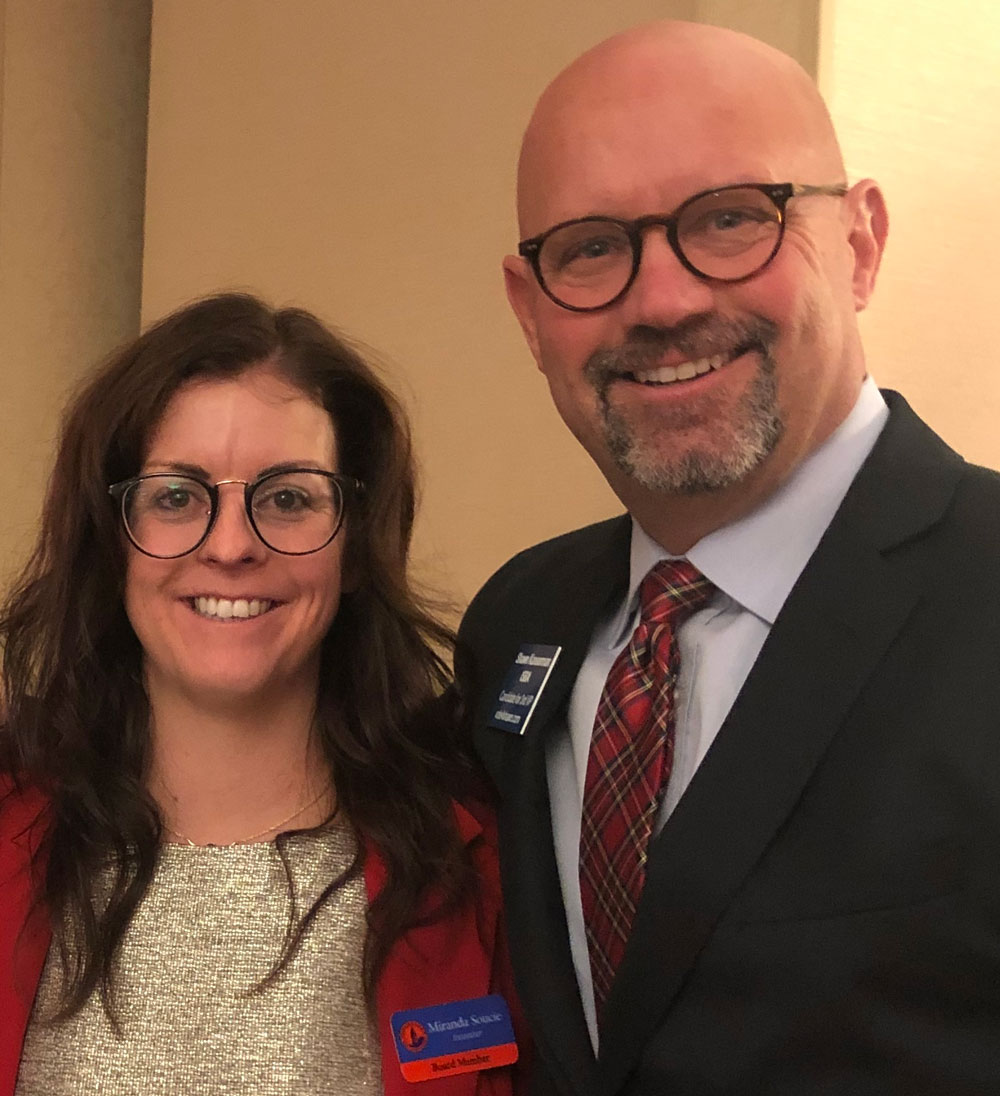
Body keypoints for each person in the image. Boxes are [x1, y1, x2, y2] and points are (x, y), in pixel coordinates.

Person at [457, 19, 1000, 1095]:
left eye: (731, 219)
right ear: (529, 311)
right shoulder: (517, 621)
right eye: (592, 247)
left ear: (859, 246)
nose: (663, 301)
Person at [0, 293, 524, 1095]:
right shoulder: (13, 828)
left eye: (288, 498)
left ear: (355, 547)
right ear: (111, 544)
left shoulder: (481, 866)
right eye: (176, 496)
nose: (232, 545)